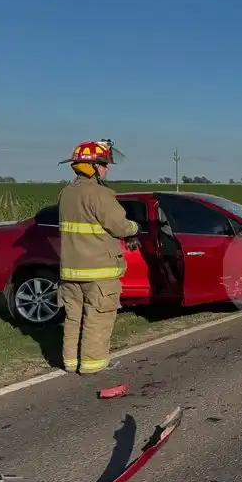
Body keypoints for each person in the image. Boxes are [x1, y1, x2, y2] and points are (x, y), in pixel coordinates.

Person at [57, 140, 140, 374]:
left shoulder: (66, 193)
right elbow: (119, 226)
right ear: (91, 167)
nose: (107, 169)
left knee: (73, 318)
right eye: (103, 164)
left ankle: (70, 363)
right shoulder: (100, 194)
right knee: (98, 318)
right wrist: (135, 227)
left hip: (71, 271)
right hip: (98, 271)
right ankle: (93, 365)